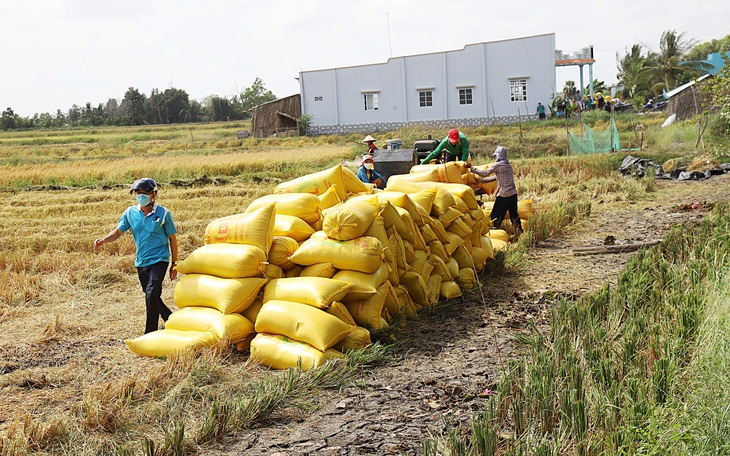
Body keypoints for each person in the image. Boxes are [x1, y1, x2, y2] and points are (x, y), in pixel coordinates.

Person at [94, 178, 179, 334]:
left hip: (160, 259)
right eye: (138, 193)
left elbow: (172, 238)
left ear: (154, 195)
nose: (141, 196)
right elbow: (118, 232)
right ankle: (170, 317)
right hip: (141, 261)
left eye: (144, 193)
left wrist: (174, 263)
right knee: (150, 294)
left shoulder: (164, 213)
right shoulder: (130, 213)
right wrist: (104, 240)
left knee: (152, 292)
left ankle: (150, 333)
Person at [469, 146, 523, 235]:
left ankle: (493, 234)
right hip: (513, 195)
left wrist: (471, 168)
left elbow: (484, 173)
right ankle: (520, 233)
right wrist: (482, 181)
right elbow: (496, 177)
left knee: (495, 217)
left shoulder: (497, 165)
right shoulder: (508, 165)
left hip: (503, 196)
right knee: (514, 216)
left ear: (499, 155)